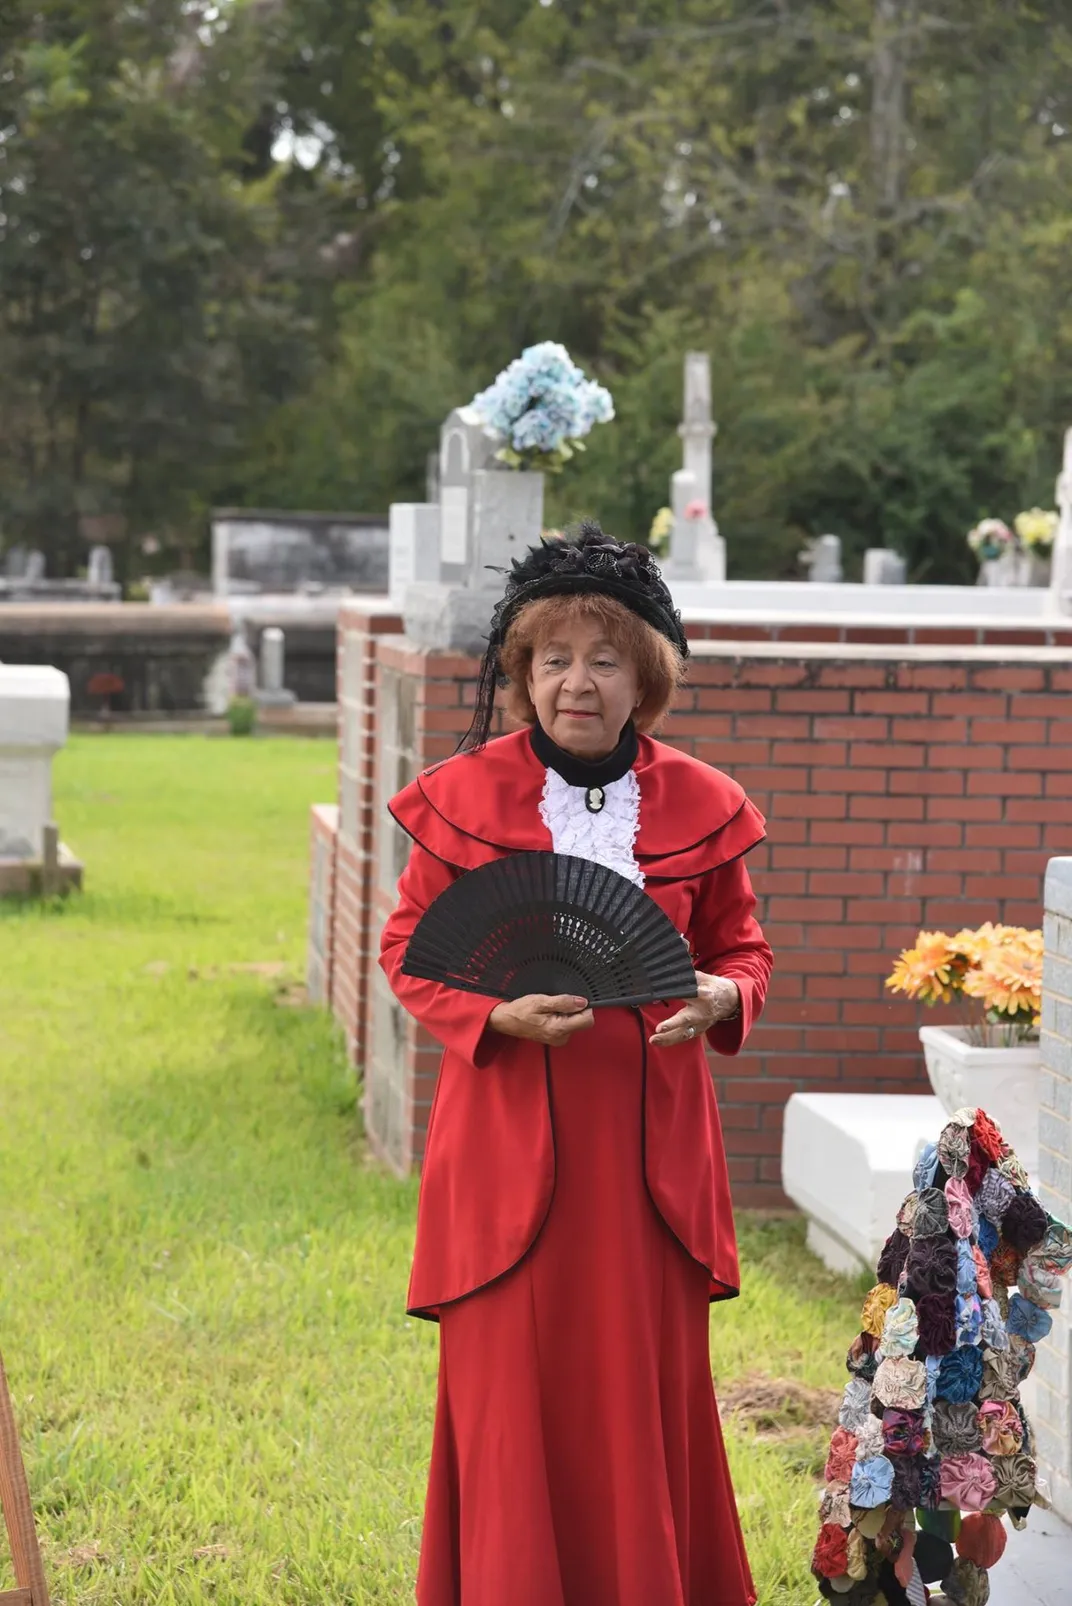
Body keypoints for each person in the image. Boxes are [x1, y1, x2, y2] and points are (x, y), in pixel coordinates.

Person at [379, 521, 774, 1606]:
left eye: (603, 659)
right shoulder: (465, 796)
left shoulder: (700, 801)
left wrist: (722, 993)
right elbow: (407, 952)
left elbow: (743, 948)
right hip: (506, 1156)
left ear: (643, 677)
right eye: (553, 659)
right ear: (522, 676)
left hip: (646, 1168)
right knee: (514, 1395)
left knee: (633, 1401)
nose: (577, 683)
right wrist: (495, 1014)